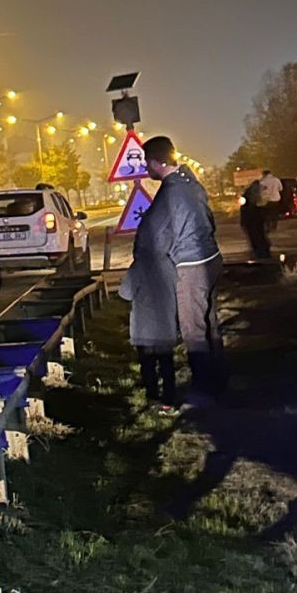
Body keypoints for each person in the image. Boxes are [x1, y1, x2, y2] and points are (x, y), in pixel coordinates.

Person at [140, 136, 226, 403]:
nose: (146, 169)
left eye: (147, 163)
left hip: (190, 266)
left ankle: (203, 390)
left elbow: (157, 236)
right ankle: (220, 379)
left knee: (193, 329)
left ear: (156, 161)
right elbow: (208, 219)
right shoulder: (191, 183)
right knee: (210, 323)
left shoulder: (169, 193)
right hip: (211, 258)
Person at [119, 212, 179, 412]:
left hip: (143, 328)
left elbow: (125, 293)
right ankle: (169, 399)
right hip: (165, 326)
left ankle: (152, 395)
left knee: (148, 365)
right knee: (167, 365)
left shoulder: (137, 267)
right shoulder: (169, 264)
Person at [240, 176, 272, 261]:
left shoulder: (247, 200)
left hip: (252, 221)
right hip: (254, 221)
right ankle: (262, 256)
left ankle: (260, 255)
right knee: (258, 239)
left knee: (256, 239)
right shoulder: (252, 202)